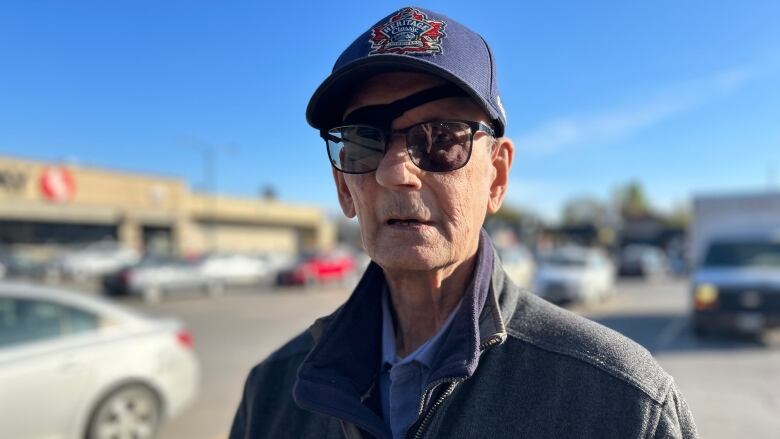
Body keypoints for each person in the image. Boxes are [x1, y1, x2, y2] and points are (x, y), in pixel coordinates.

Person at [230, 7, 698, 439]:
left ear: (496, 176)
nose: (394, 172)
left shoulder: (621, 405)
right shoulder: (275, 393)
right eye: (365, 142)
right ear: (342, 186)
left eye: (440, 138)